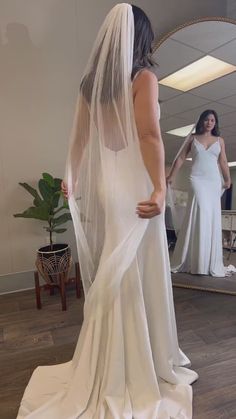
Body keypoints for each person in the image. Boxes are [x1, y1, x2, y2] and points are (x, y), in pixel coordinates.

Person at [17, 4, 198, 419]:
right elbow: (151, 136)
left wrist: (72, 177)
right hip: (134, 183)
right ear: (141, 39)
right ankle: (134, 364)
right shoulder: (143, 78)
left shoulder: (91, 85)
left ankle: (121, 354)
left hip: (106, 184)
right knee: (135, 266)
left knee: (124, 266)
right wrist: (158, 185)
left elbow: (79, 137)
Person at [167, 109, 231, 277]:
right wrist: (171, 176)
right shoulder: (192, 138)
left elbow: (223, 161)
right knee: (200, 211)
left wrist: (227, 179)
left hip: (213, 181)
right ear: (201, 121)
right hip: (197, 179)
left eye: (212, 120)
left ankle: (206, 261)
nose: (209, 122)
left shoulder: (220, 140)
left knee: (209, 215)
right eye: (207, 119)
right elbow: (181, 158)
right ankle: (194, 259)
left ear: (215, 123)